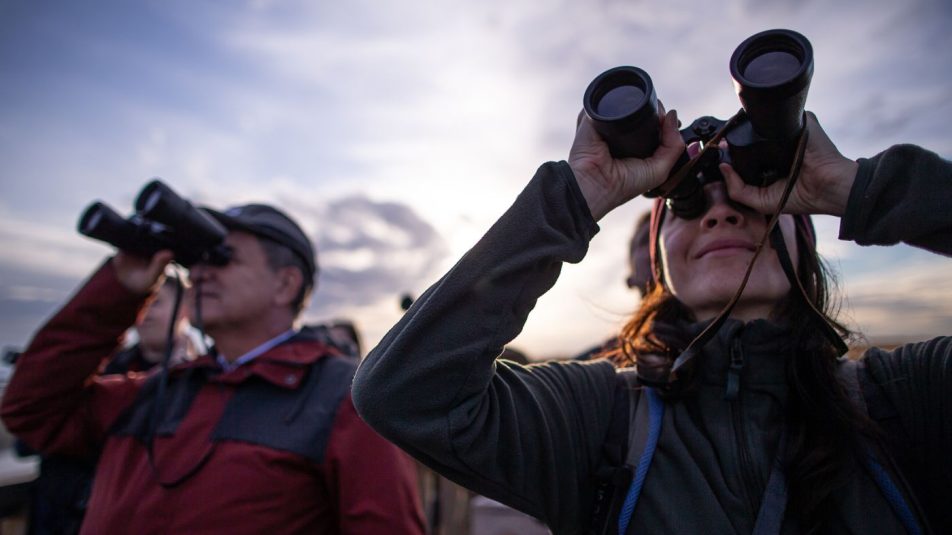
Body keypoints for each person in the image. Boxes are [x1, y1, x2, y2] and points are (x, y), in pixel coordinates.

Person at [351, 103, 951, 534]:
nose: (721, 214)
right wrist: (575, 197)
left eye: (754, 197)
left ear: (805, 243)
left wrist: (860, 187)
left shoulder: (906, 398)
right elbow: (403, 393)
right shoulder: (602, 418)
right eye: (689, 205)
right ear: (660, 265)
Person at [2, 202, 426, 534]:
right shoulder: (158, 390)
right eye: (195, 260)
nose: (200, 273)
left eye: (222, 258)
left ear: (285, 284)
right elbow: (31, 410)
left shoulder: (345, 398)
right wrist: (120, 290)